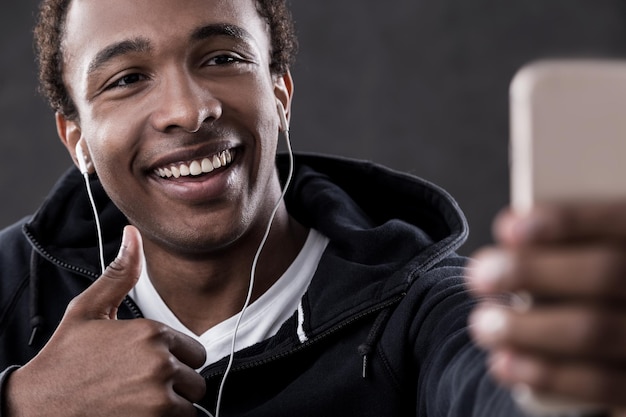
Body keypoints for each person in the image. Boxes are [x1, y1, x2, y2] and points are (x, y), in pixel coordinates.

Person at [0, 0, 625, 416]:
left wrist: (585, 381)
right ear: (77, 140)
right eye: (127, 79)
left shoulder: (423, 306)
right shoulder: (12, 286)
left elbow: (494, 388)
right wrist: (23, 402)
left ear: (280, 95)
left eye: (223, 58)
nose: (189, 111)